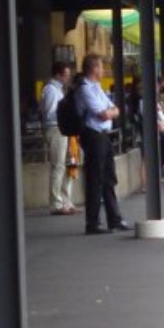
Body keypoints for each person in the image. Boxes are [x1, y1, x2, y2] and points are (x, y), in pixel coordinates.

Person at [73, 53, 129, 233]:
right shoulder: (84, 89)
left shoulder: (96, 87)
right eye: (101, 66)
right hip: (92, 135)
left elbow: (115, 109)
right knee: (95, 179)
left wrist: (110, 112)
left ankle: (114, 219)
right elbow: (103, 113)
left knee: (108, 178)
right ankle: (92, 223)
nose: (104, 70)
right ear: (94, 68)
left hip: (103, 135)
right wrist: (110, 112)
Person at [39, 63, 77, 215]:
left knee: (69, 164)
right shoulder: (50, 90)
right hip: (55, 129)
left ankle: (66, 201)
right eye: (66, 75)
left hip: (63, 129)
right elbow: (48, 113)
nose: (68, 78)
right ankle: (56, 203)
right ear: (58, 75)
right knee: (58, 166)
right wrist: (66, 113)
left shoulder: (59, 90)